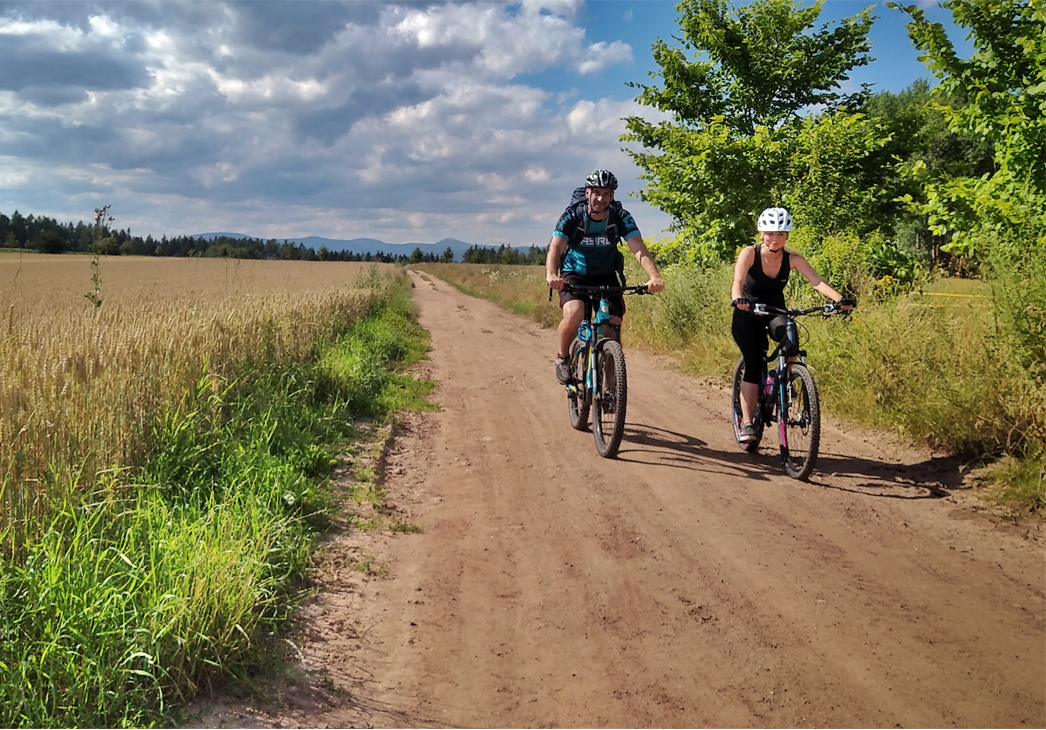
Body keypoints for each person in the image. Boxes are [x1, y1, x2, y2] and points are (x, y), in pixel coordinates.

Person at [731, 206, 854, 443]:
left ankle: (777, 379)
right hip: (747, 313)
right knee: (754, 363)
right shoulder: (750, 254)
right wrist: (739, 299)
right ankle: (747, 423)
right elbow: (737, 281)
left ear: (787, 236)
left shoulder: (793, 259)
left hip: (775, 311)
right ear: (761, 233)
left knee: (791, 340)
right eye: (769, 233)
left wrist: (839, 300)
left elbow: (817, 281)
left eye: (780, 234)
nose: (774, 239)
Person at [546, 169, 664, 384]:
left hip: (606, 276)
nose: (601, 198)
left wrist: (654, 277)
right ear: (588, 192)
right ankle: (562, 357)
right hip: (575, 275)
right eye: (597, 192)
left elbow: (639, 249)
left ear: (612, 196)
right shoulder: (573, 215)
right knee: (574, 314)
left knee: (612, 325)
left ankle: (611, 383)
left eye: (606, 193)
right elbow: (556, 247)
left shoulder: (620, 217)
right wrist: (552, 274)